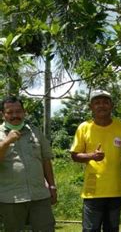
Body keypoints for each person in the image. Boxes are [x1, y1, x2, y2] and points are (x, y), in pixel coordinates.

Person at [70, 90, 121, 232]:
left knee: (112, 229)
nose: (101, 106)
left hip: (116, 190)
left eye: (105, 102)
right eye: (97, 102)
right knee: (90, 229)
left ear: (112, 105)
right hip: (92, 191)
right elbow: (74, 155)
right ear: (90, 106)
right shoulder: (84, 127)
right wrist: (91, 156)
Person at [0, 96, 57, 232]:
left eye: (18, 111)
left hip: (39, 195)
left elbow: (45, 160)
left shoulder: (35, 131)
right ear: (2, 114)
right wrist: (6, 142)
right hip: (11, 198)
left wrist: (52, 185)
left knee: (46, 229)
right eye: (10, 112)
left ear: (24, 112)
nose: (15, 115)